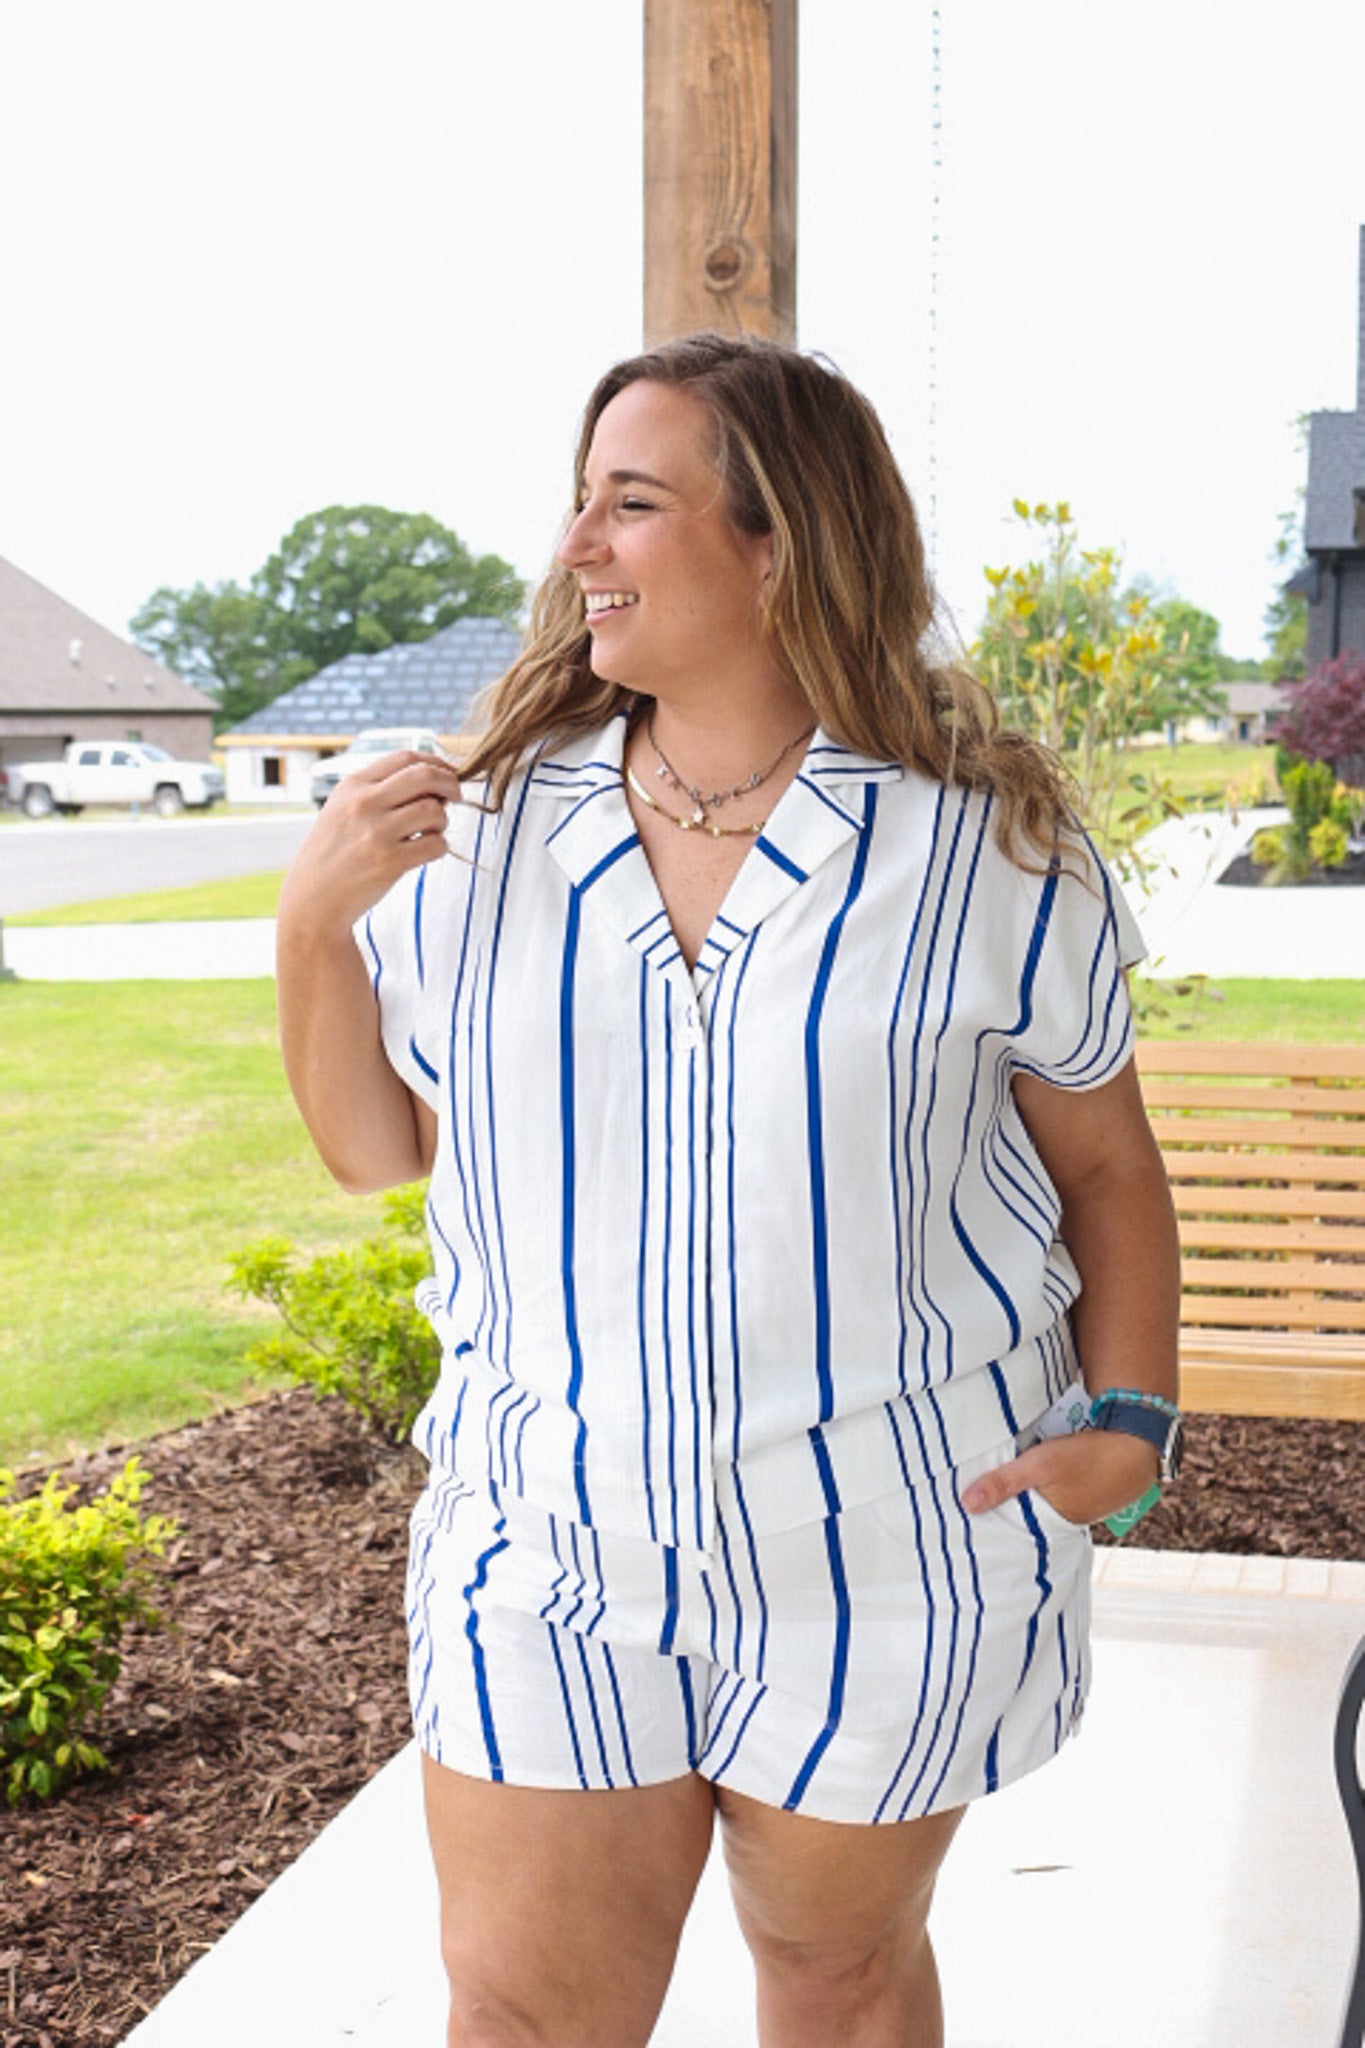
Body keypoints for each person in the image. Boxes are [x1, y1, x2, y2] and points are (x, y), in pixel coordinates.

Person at [276, 332, 1182, 2048]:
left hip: (894, 1536)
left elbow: (1103, 1164)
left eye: (630, 504)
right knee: (524, 2012)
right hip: (551, 1538)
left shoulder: (986, 849)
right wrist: (313, 925)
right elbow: (374, 1151)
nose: (576, 546)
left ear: (779, 542)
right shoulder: (475, 829)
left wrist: (1132, 1421)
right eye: (581, 501)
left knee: (838, 1983)